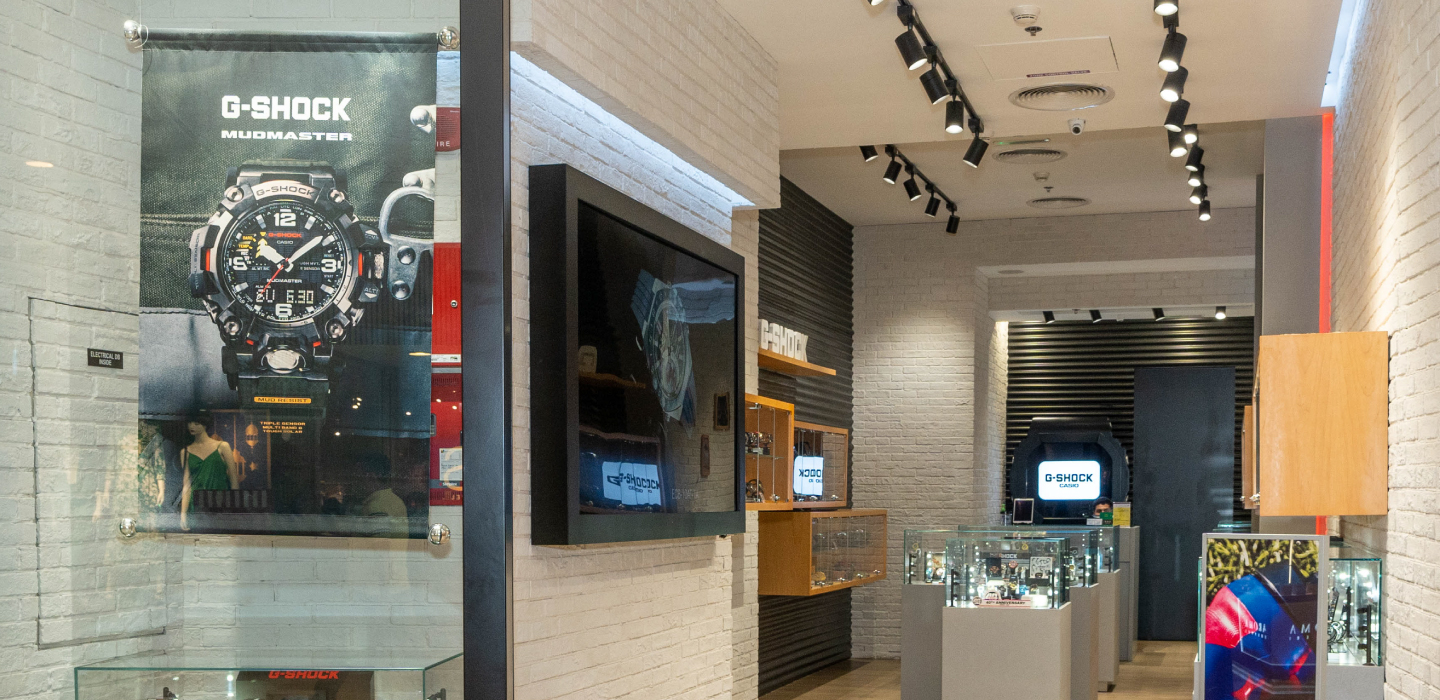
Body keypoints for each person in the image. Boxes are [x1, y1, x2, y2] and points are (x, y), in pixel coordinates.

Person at [179, 413, 240, 530]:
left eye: (196, 423)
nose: (192, 426)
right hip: (197, 506)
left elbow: (234, 479)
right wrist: (183, 515)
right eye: (190, 423)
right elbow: (186, 485)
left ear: (205, 425)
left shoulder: (223, 446)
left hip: (221, 503)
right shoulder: (185, 452)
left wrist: (235, 508)